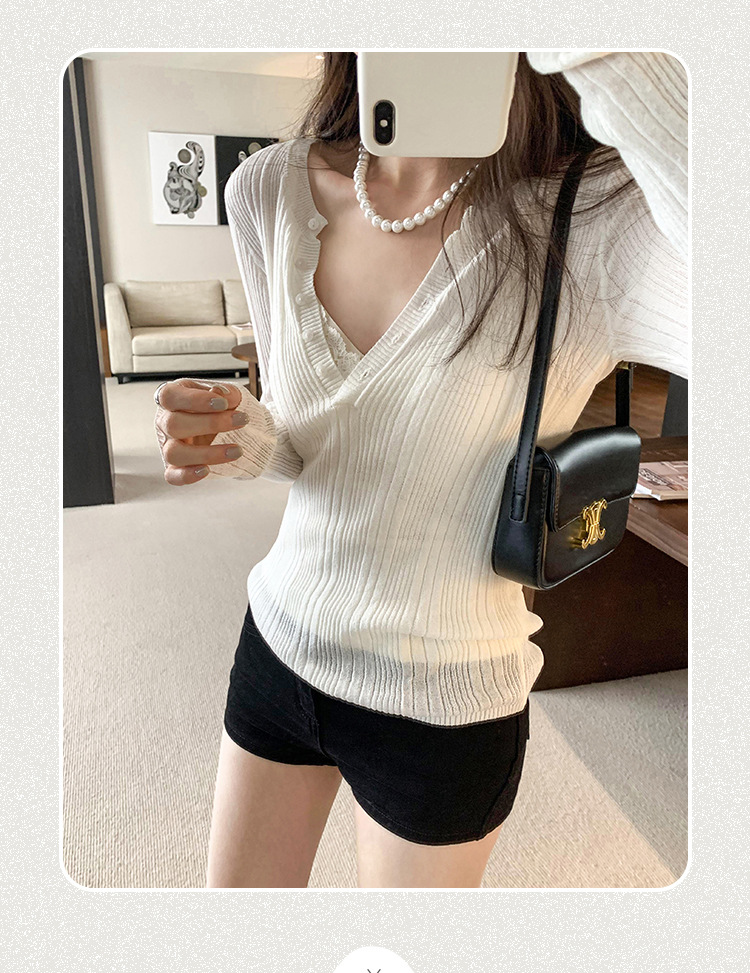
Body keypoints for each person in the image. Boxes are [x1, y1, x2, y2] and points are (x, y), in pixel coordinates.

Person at [153, 50, 688, 888]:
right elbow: (304, 444)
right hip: (278, 645)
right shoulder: (269, 187)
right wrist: (239, 432)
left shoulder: (601, 215)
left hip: (444, 707)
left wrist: (604, 44)